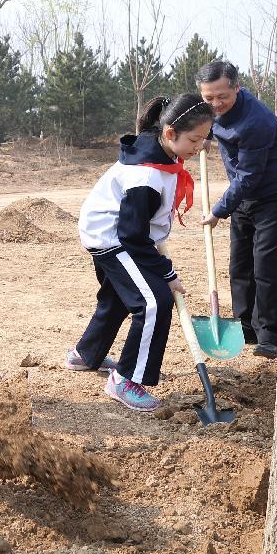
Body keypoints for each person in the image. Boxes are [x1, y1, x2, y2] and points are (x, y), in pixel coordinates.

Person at [70, 95, 213, 411]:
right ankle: (126, 380)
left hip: (114, 230)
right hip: (112, 236)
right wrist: (167, 272)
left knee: (119, 296)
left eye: (205, 139)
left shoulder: (159, 151)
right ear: (170, 133)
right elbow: (132, 236)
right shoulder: (145, 176)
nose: (200, 147)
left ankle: (86, 354)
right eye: (194, 139)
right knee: (153, 301)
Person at [195, 61, 277, 359]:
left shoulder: (256, 121)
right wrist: (204, 138)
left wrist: (219, 210)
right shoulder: (212, 111)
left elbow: (250, 176)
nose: (215, 104)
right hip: (242, 196)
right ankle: (244, 327)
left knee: (264, 264)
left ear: (237, 88)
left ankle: (268, 335)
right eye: (208, 98)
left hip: (272, 197)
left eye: (221, 96)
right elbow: (204, 124)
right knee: (240, 265)